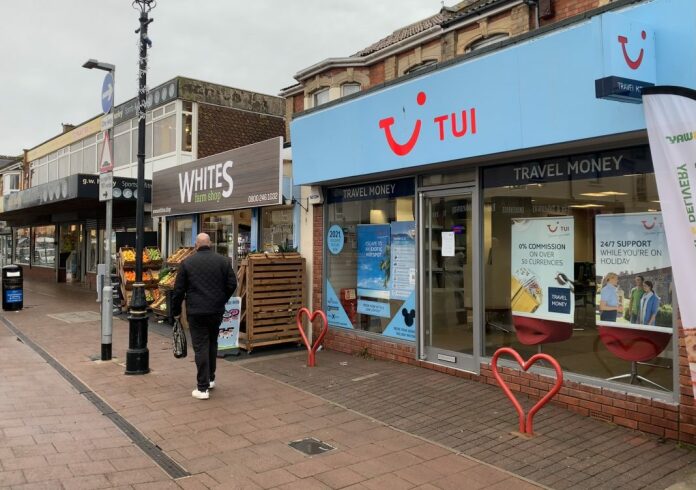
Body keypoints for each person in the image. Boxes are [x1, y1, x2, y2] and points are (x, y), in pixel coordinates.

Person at [172, 233, 237, 400]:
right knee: (213, 343)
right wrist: (222, 299)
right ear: (210, 244)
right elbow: (232, 284)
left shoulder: (187, 263)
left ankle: (202, 388)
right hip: (216, 310)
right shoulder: (223, 261)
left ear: (196, 245)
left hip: (196, 312)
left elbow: (178, 290)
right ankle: (211, 378)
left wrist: (176, 311)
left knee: (201, 346)